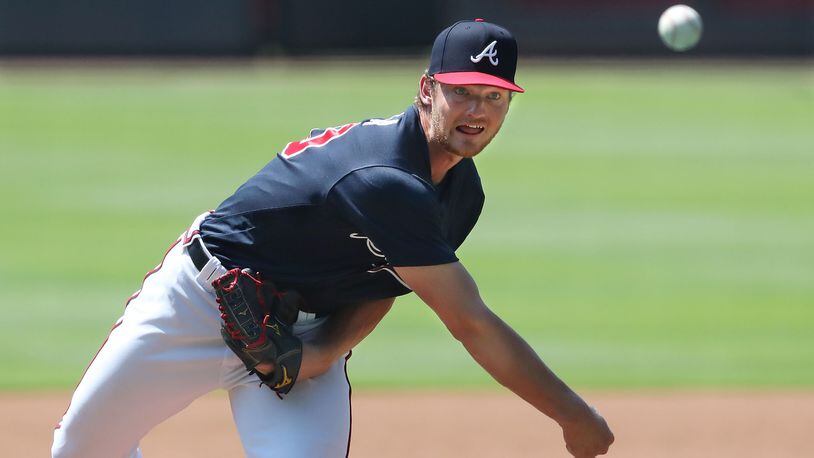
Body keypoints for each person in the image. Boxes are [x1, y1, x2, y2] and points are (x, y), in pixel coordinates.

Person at [53, 19, 614, 458]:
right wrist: (572, 413)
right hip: (198, 305)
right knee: (80, 448)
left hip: (304, 332)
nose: (477, 111)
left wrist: (323, 351)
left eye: (494, 97)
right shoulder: (385, 182)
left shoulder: (460, 194)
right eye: (462, 91)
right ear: (426, 89)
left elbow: (382, 283)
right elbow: (470, 323)